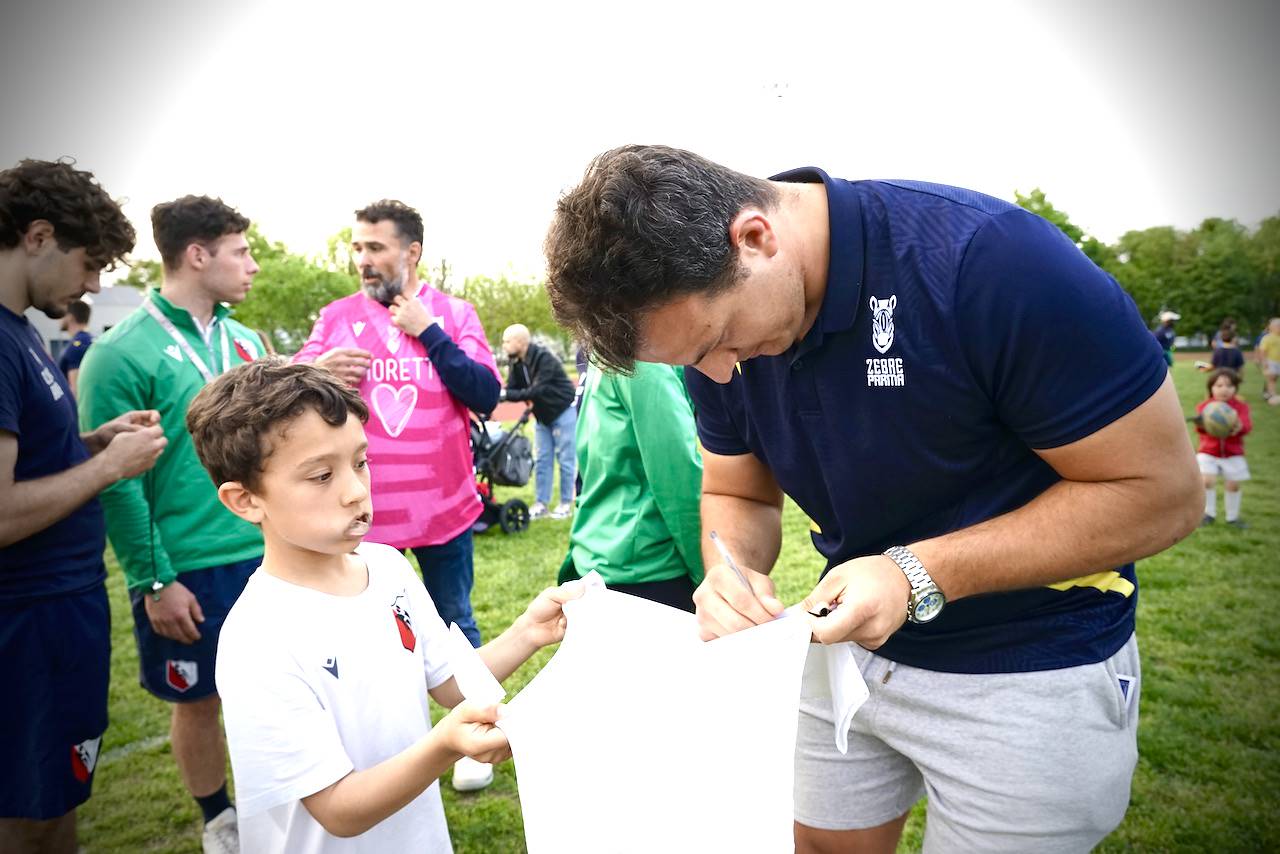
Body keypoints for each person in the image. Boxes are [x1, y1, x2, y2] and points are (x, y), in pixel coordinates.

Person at [543, 145, 1203, 852]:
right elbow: (737, 489)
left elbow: (1161, 493)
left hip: (1031, 656)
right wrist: (728, 569)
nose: (720, 374)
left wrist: (916, 573)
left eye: (720, 339)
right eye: (692, 363)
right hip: (847, 648)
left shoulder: (990, 262)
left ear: (755, 238)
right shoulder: (713, 341)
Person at [185, 358, 582, 852]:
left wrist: (529, 632)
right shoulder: (258, 638)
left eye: (360, 462)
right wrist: (444, 745)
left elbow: (450, 683)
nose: (356, 491)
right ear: (246, 500)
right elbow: (338, 809)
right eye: (321, 475)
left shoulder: (388, 567)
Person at [77, 195, 266, 852]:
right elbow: (117, 480)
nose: (253, 265)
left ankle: (285, 803)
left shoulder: (248, 341)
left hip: (266, 554)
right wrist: (154, 578)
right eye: (241, 252)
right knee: (199, 701)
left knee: (281, 691)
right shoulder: (117, 354)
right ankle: (219, 820)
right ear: (197, 255)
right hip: (186, 566)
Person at [292, 199, 500, 791]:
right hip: (362, 519)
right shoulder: (336, 318)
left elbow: (486, 393)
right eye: (357, 247)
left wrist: (428, 332)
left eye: (375, 247)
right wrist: (317, 370)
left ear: (411, 252)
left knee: (454, 623)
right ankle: (382, 748)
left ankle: (476, 736)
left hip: (444, 509)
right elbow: (284, 401)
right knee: (363, 636)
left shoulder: (454, 314)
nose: (363, 259)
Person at [0, 158, 166, 854]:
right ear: (38, 236)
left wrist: (91, 441)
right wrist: (107, 468)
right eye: (89, 263)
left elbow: (32, 460)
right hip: (29, 619)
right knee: (30, 811)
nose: (94, 285)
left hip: (62, 609)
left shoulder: (19, 330)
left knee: (59, 797)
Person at [558, 361, 705, 612]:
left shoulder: (604, 358)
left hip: (600, 558)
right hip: (649, 568)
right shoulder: (645, 363)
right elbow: (678, 481)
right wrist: (707, 574)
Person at [500, 324, 577, 520]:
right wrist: (502, 394)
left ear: (520, 342)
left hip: (562, 411)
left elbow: (536, 390)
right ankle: (541, 504)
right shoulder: (516, 362)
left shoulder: (544, 358)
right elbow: (513, 388)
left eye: (507, 341)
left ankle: (566, 504)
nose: (504, 346)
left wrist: (505, 395)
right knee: (542, 460)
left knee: (565, 459)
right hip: (542, 416)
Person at [1194, 368, 1251, 529]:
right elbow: (1200, 430)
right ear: (1211, 388)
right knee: (1207, 481)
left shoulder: (1240, 407)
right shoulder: (1205, 407)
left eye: (1229, 386)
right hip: (1208, 451)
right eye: (1219, 385)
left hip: (1232, 453)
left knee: (1233, 485)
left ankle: (1232, 517)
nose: (1224, 389)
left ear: (1235, 388)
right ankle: (1208, 514)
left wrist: (1239, 427)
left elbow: (1247, 426)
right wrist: (1201, 425)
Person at [56, 298, 93, 396]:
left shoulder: (77, 346)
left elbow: (76, 390)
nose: (59, 320)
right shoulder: (92, 341)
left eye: (62, 315)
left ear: (70, 317)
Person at [1259, 317, 1280, 404]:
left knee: (1274, 378)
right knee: (1271, 378)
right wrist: (1264, 362)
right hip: (1270, 361)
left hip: (1278, 361)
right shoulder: (1267, 338)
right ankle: (1273, 395)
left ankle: (1266, 393)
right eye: (1278, 326)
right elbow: (1263, 351)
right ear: (1272, 327)